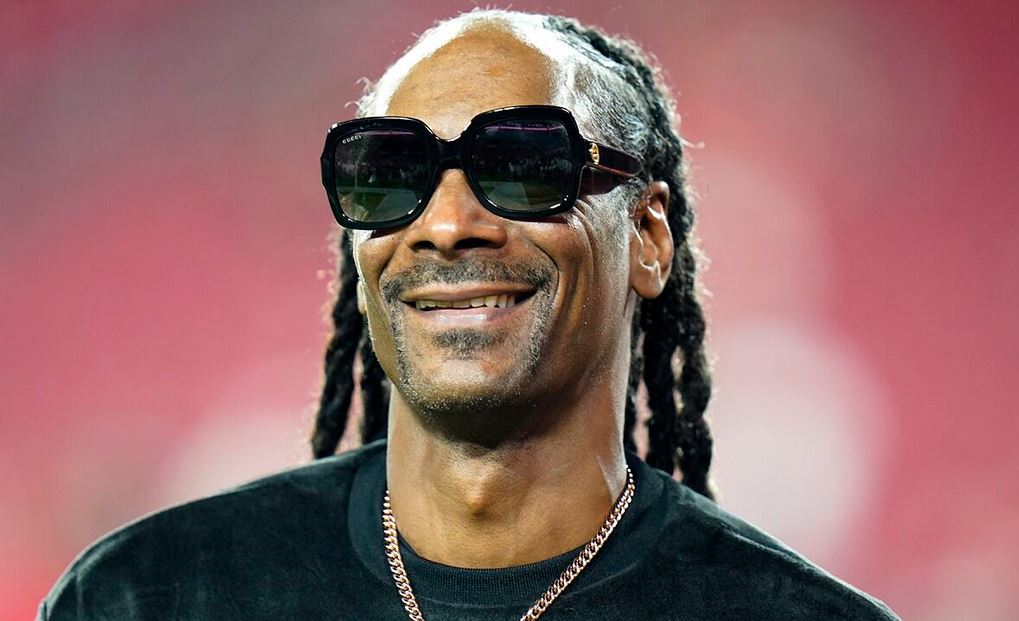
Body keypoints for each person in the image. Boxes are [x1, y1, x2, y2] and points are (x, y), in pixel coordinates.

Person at [39, 9, 900, 621]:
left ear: (646, 237)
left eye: (522, 166)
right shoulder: (144, 596)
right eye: (391, 175)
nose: (446, 224)